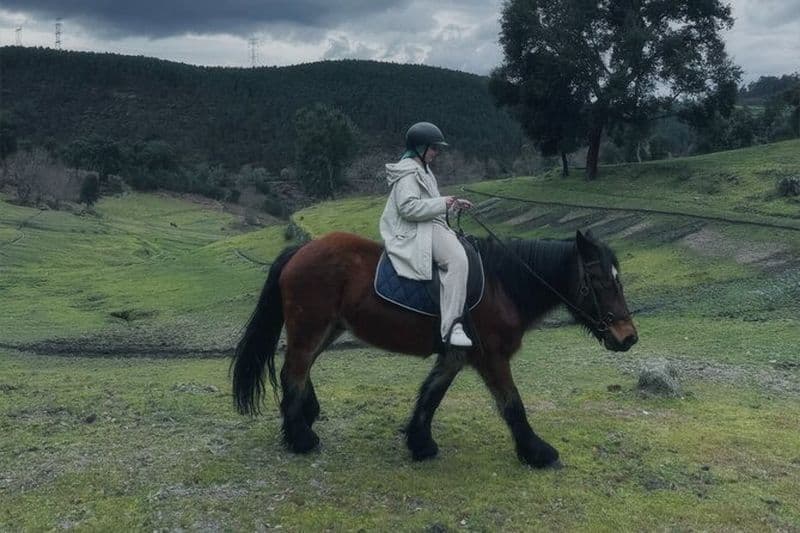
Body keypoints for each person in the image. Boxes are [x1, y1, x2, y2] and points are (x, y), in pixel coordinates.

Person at [379, 122, 474, 348]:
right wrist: (442, 203)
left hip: (429, 225)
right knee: (458, 260)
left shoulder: (424, 170)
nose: (436, 152)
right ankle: (452, 327)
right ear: (419, 148)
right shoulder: (408, 173)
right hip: (415, 229)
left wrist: (452, 204)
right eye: (433, 148)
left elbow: (429, 203)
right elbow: (408, 208)